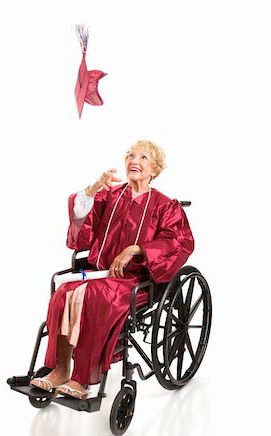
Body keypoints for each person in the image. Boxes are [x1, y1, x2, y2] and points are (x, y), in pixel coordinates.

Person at [30, 140, 195, 399]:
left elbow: (178, 241)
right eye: (130, 155)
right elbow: (81, 217)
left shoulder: (165, 206)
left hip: (134, 281)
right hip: (100, 273)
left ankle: (83, 380)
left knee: (94, 296)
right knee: (63, 291)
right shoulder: (111, 195)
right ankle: (60, 369)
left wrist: (137, 249)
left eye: (142, 156)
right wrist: (95, 186)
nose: (134, 160)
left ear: (154, 168)